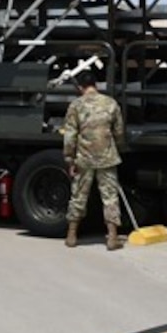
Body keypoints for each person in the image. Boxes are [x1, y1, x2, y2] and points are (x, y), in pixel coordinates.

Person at [62, 71, 126, 249]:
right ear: (95, 85)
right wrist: (118, 146)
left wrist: (70, 158)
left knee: (78, 196)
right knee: (110, 196)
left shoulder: (76, 105)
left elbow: (70, 135)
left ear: (80, 87)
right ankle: (112, 237)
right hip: (107, 157)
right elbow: (119, 131)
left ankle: (72, 235)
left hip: (84, 158)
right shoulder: (110, 103)